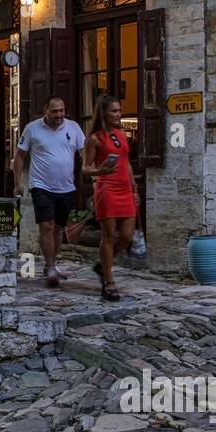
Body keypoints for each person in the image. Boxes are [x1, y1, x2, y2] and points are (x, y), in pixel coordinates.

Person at [13, 97, 85, 287]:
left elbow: (84, 153)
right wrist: (18, 182)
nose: (59, 115)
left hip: (66, 187)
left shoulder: (74, 128)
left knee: (59, 228)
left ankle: (50, 264)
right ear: (46, 110)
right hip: (41, 185)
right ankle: (51, 267)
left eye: (62, 110)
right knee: (47, 225)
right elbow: (20, 156)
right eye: (55, 111)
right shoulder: (32, 128)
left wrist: (93, 172)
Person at [82, 93, 138, 301]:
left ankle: (102, 266)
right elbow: (85, 168)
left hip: (125, 189)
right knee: (108, 236)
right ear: (104, 113)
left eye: (119, 110)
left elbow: (127, 163)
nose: (118, 114)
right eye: (114, 111)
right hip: (106, 190)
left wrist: (134, 189)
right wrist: (100, 172)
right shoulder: (95, 138)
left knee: (127, 236)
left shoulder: (121, 134)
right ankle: (109, 281)